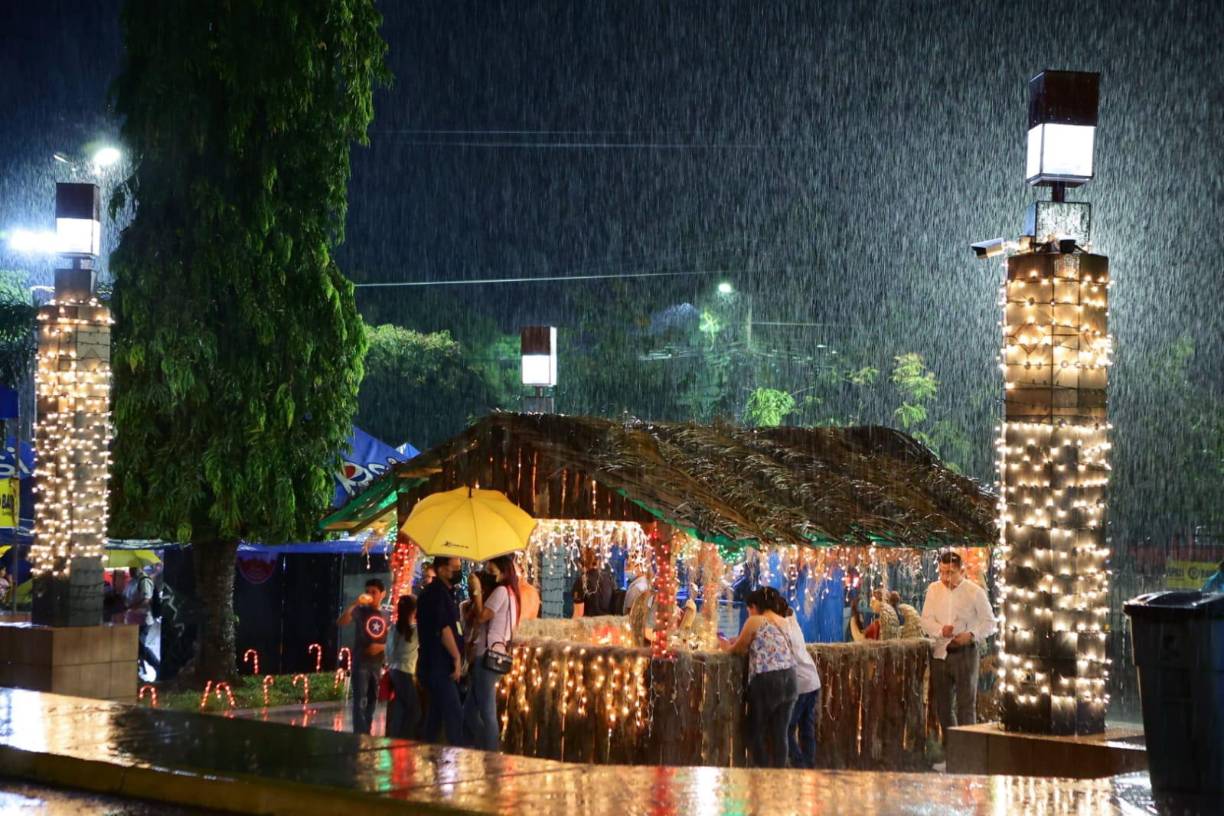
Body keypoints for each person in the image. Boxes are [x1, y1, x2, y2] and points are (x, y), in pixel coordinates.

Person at [920, 551, 996, 741]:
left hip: (965, 653)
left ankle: (968, 750)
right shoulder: (933, 589)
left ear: (961, 571)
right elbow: (925, 621)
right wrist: (940, 630)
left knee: (966, 706)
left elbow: (990, 622)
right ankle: (951, 748)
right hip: (940, 652)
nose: (946, 577)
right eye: (942, 572)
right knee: (943, 707)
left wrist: (971, 635)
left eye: (950, 572)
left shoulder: (974, 592)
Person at [720, 586, 798, 768]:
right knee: (780, 733)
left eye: (749, 610)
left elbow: (737, 649)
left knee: (752, 731)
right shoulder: (783, 621)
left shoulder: (755, 620)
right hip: (791, 678)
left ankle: (762, 772)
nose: (749, 613)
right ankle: (778, 775)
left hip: (768, 679)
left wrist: (725, 645)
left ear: (754, 606)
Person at [463, 554, 520, 751]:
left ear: (503, 572)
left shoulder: (501, 591)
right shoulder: (512, 593)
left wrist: (477, 591)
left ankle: (491, 752)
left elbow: (481, 617)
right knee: (470, 711)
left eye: (491, 569)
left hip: (487, 656)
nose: (488, 572)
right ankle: (483, 747)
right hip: (495, 654)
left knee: (487, 713)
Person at [416, 556, 465, 745]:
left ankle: (428, 752)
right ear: (442, 569)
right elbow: (443, 628)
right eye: (455, 567)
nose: (459, 571)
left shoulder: (446, 593)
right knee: (454, 714)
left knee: (435, 716)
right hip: (438, 664)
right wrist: (456, 657)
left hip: (439, 663)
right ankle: (458, 752)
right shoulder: (435, 594)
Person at [772, 593, 821, 769]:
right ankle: (809, 765)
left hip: (800, 683)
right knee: (807, 728)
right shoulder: (793, 621)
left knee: (786, 728)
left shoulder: (781, 626)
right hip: (813, 680)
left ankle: (800, 766)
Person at [337, 577, 388, 735]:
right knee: (359, 699)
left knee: (373, 699)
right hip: (361, 662)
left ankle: (367, 729)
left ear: (383, 594)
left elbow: (392, 639)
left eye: (374, 592)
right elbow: (342, 621)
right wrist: (355, 603)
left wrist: (381, 647)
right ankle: (360, 733)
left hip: (377, 663)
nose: (370, 595)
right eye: (367, 592)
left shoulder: (386, 614)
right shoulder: (360, 610)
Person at [386, 594, 420, 739]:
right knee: (415, 711)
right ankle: (405, 739)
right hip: (405, 673)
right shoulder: (416, 630)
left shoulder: (393, 629)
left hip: (393, 671)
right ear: (414, 611)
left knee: (400, 707)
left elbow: (388, 653)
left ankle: (395, 738)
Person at [123, 566, 160, 676]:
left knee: (139, 646)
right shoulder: (132, 582)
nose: (131, 570)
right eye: (130, 567)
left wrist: (132, 606)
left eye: (134, 567)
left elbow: (146, 599)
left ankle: (157, 666)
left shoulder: (144, 580)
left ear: (140, 567)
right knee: (135, 646)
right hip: (132, 619)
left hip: (143, 619)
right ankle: (138, 670)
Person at [571, 549, 614, 617]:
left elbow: (578, 614)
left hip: (589, 623)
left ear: (582, 563)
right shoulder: (609, 578)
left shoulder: (581, 581)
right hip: (608, 622)